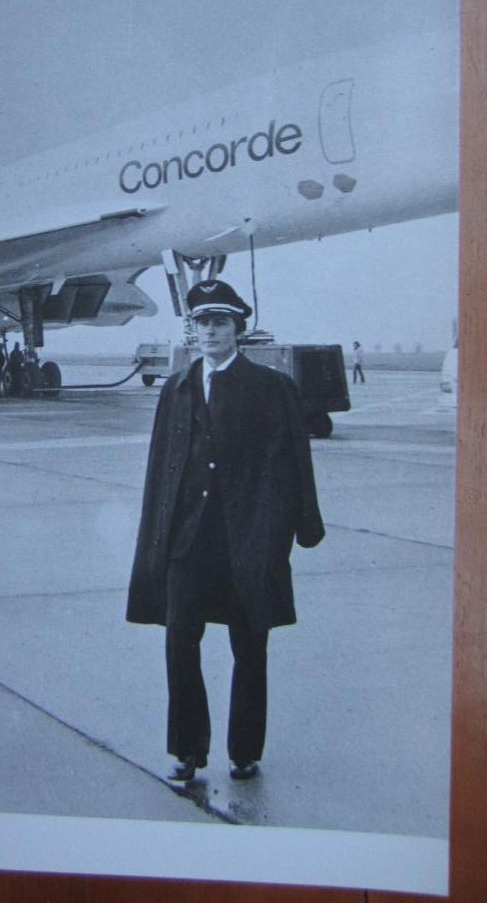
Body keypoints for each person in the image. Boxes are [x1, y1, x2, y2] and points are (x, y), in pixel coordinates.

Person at [126, 279, 325, 784]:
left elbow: (294, 466)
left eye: (220, 322)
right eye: (203, 323)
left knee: (250, 646)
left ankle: (244, 751)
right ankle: (186, 750)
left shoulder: (272, 388)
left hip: (246, 541)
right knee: (179, 643)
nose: (211, 331)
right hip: (187, 542)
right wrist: (156, 537)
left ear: (238, 328)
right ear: (192, 330)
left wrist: (293, 531)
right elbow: (161, 470)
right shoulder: (176, 388)